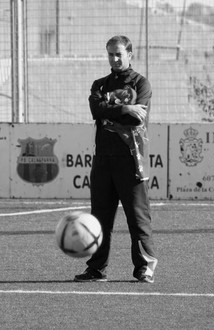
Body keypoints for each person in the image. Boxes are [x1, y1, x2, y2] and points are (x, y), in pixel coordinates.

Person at [74, 35, 158, 283]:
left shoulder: (141, 84)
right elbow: (95, 110)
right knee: (99, 218)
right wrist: (123, 108)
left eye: (119, 53)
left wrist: (112, 109)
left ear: (130, 54)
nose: (115, 58)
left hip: (130, 159)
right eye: (110, 54)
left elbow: (137, 118)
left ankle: (145, 267)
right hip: (102, 162)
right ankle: (96, 268)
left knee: (137, 217)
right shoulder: (99, 85)